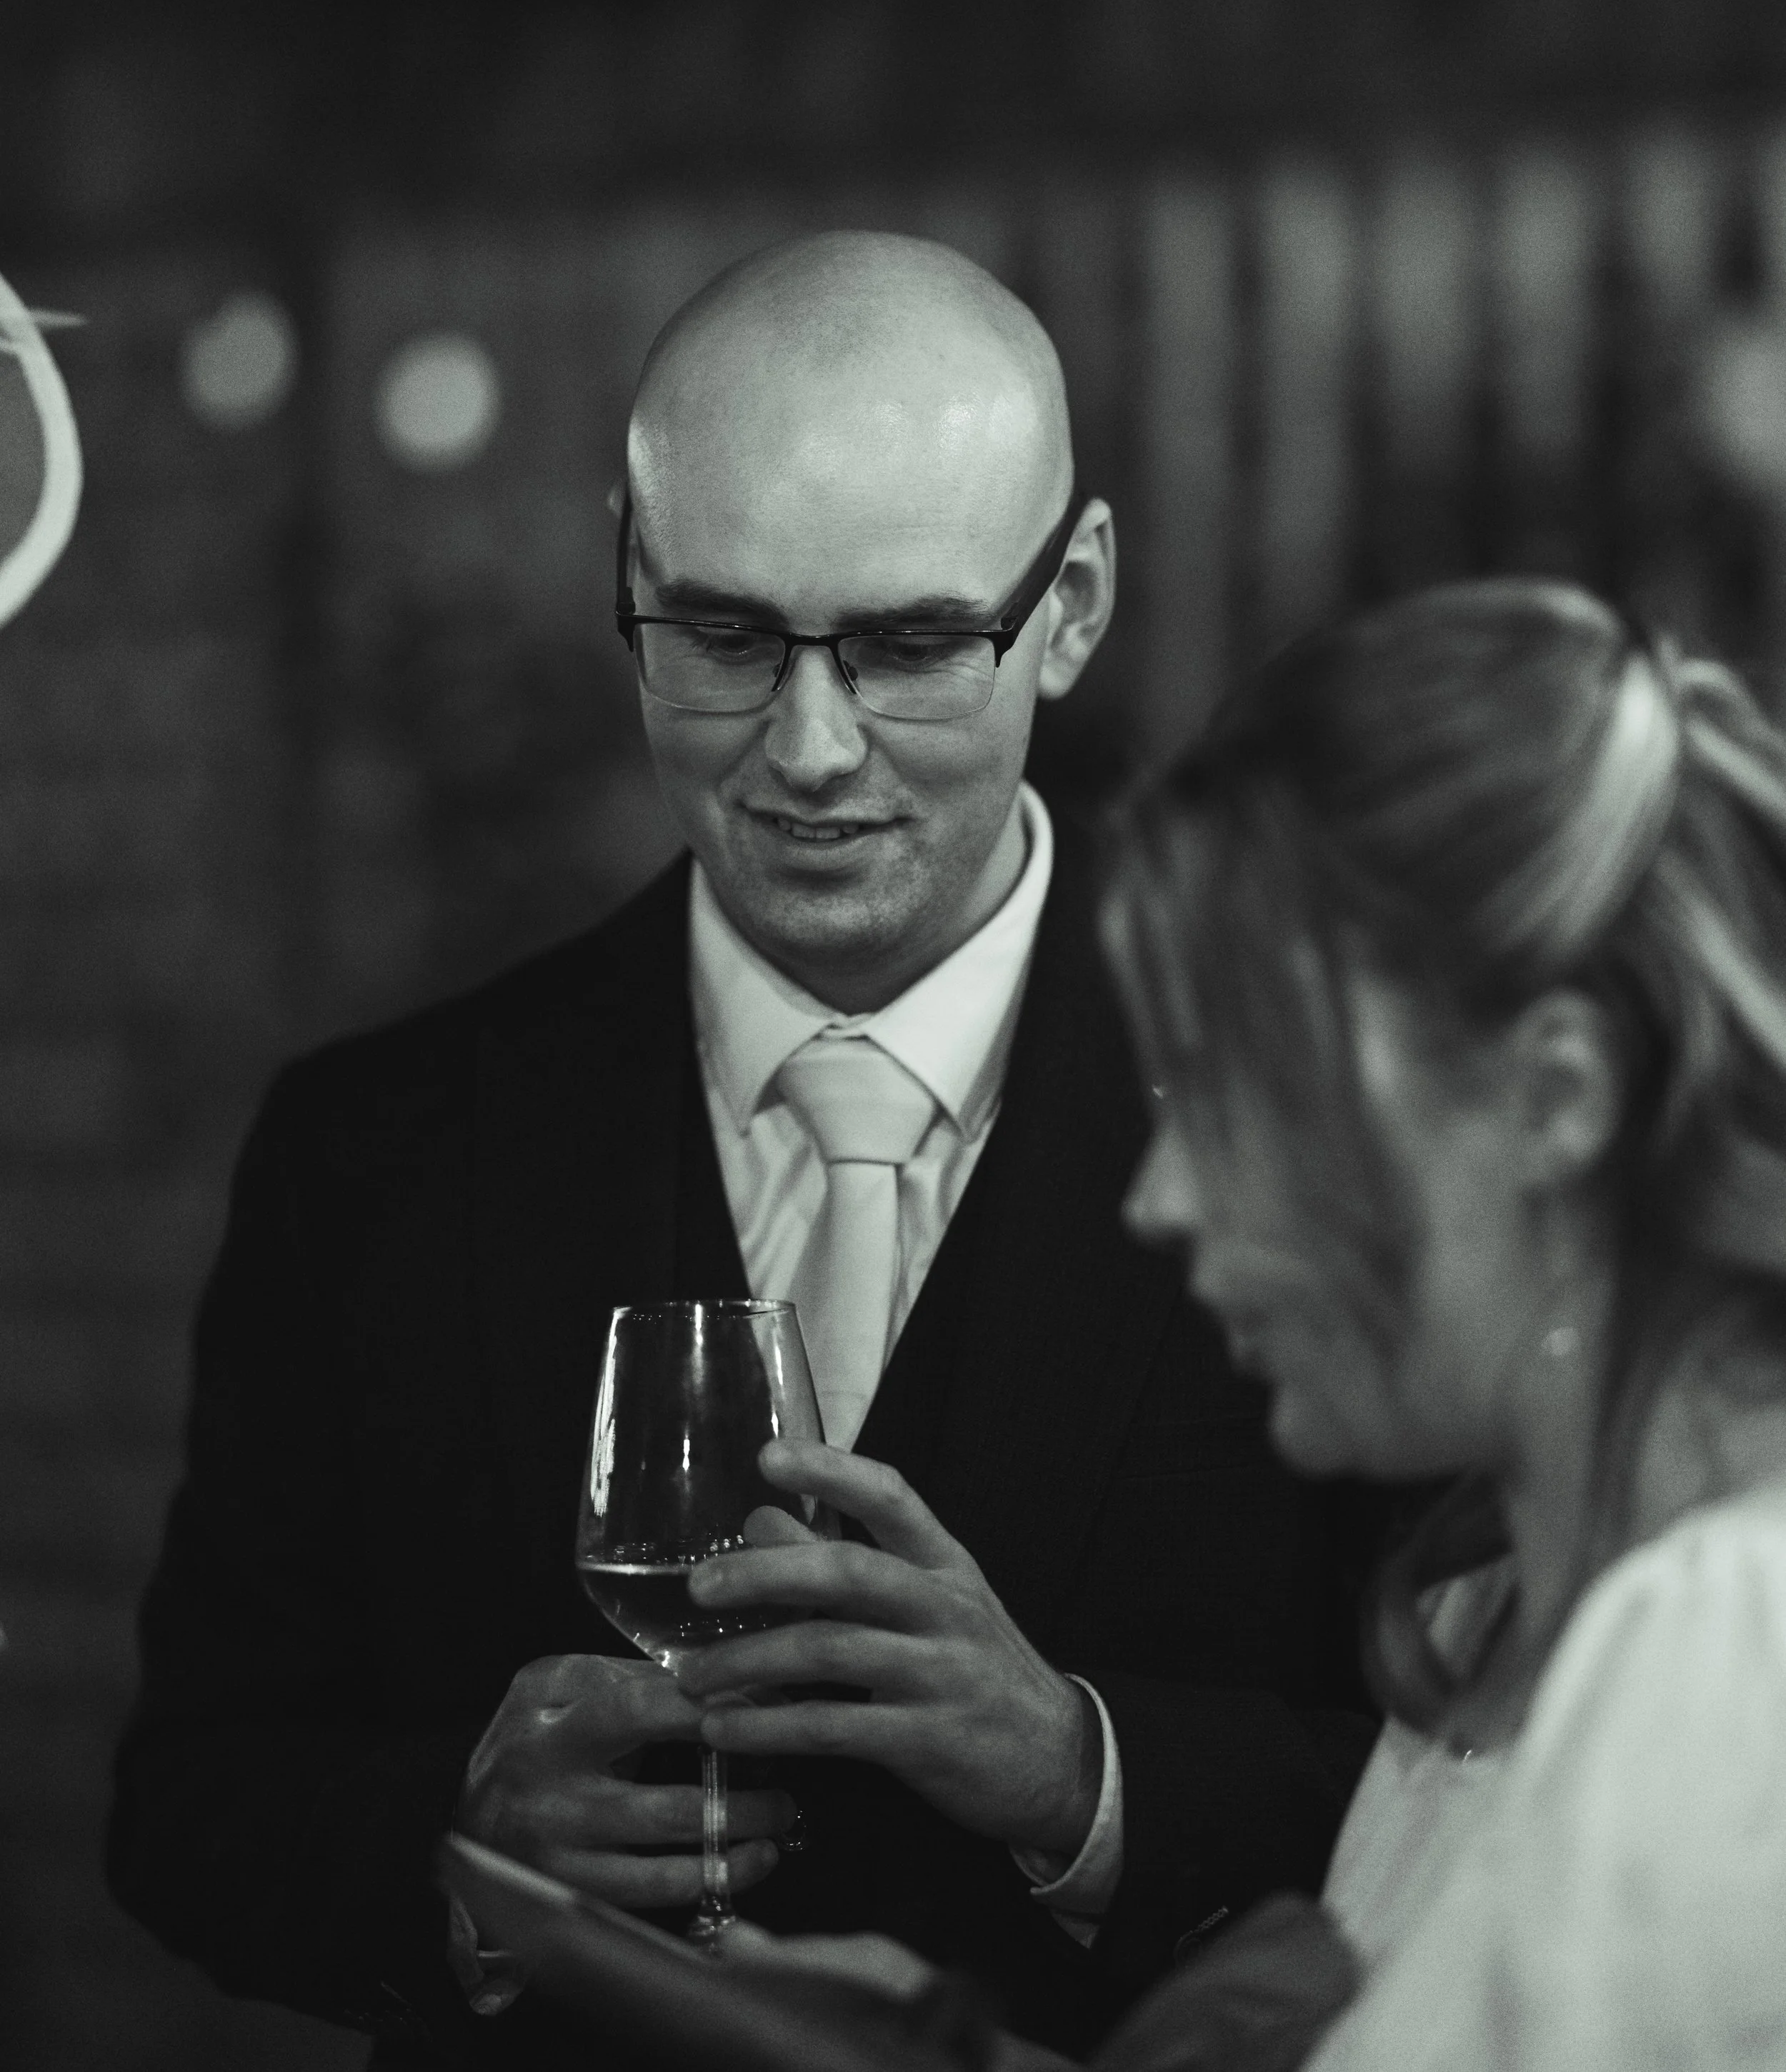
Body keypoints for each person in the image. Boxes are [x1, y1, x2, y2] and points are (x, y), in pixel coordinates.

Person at [107, 231, 1381, 2065]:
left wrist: (1081, 1777)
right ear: (628, 577)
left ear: (1075, 600)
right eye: (718, 633)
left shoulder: (1327, 1116)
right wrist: (458, 1851)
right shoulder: (370, 1150)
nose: (805, 745)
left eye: (912, 644)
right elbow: (191, 1805)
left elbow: (1504, 1794)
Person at [722, 574, 1786, 2070]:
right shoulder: (1485, 1613)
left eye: (1242, 1097)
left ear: (1552, 1100)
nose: (1158, 1196)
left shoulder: (1727, 1653)